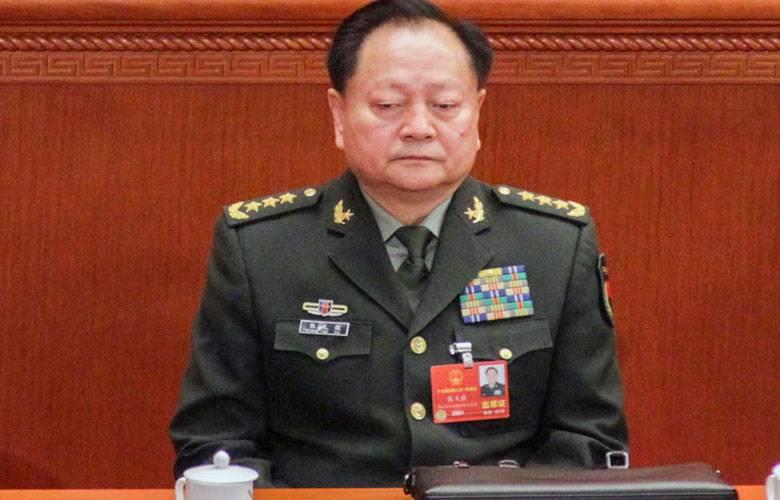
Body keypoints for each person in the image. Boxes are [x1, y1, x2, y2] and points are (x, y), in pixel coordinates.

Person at [170, 0, 628, 488]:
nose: (418, 128)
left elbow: (589, 440)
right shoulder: (261, 248)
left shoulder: (555, 245)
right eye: (388, 105)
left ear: (477, 112)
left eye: (444, 106)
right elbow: (216, 443)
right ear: (339, 115)